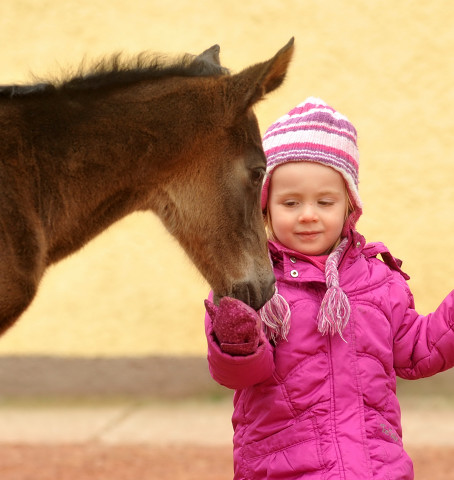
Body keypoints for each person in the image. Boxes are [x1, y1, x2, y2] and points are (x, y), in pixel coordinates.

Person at [204, 97, 454, 479]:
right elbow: (239, 375)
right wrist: (236, 338)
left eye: (325, 201)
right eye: (290, 202)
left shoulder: (378, 280)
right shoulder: (248, 283)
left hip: (375, 468)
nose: (308, 215)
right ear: (265, 206)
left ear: (349, 207)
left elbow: (417, 350)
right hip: (284, 469)